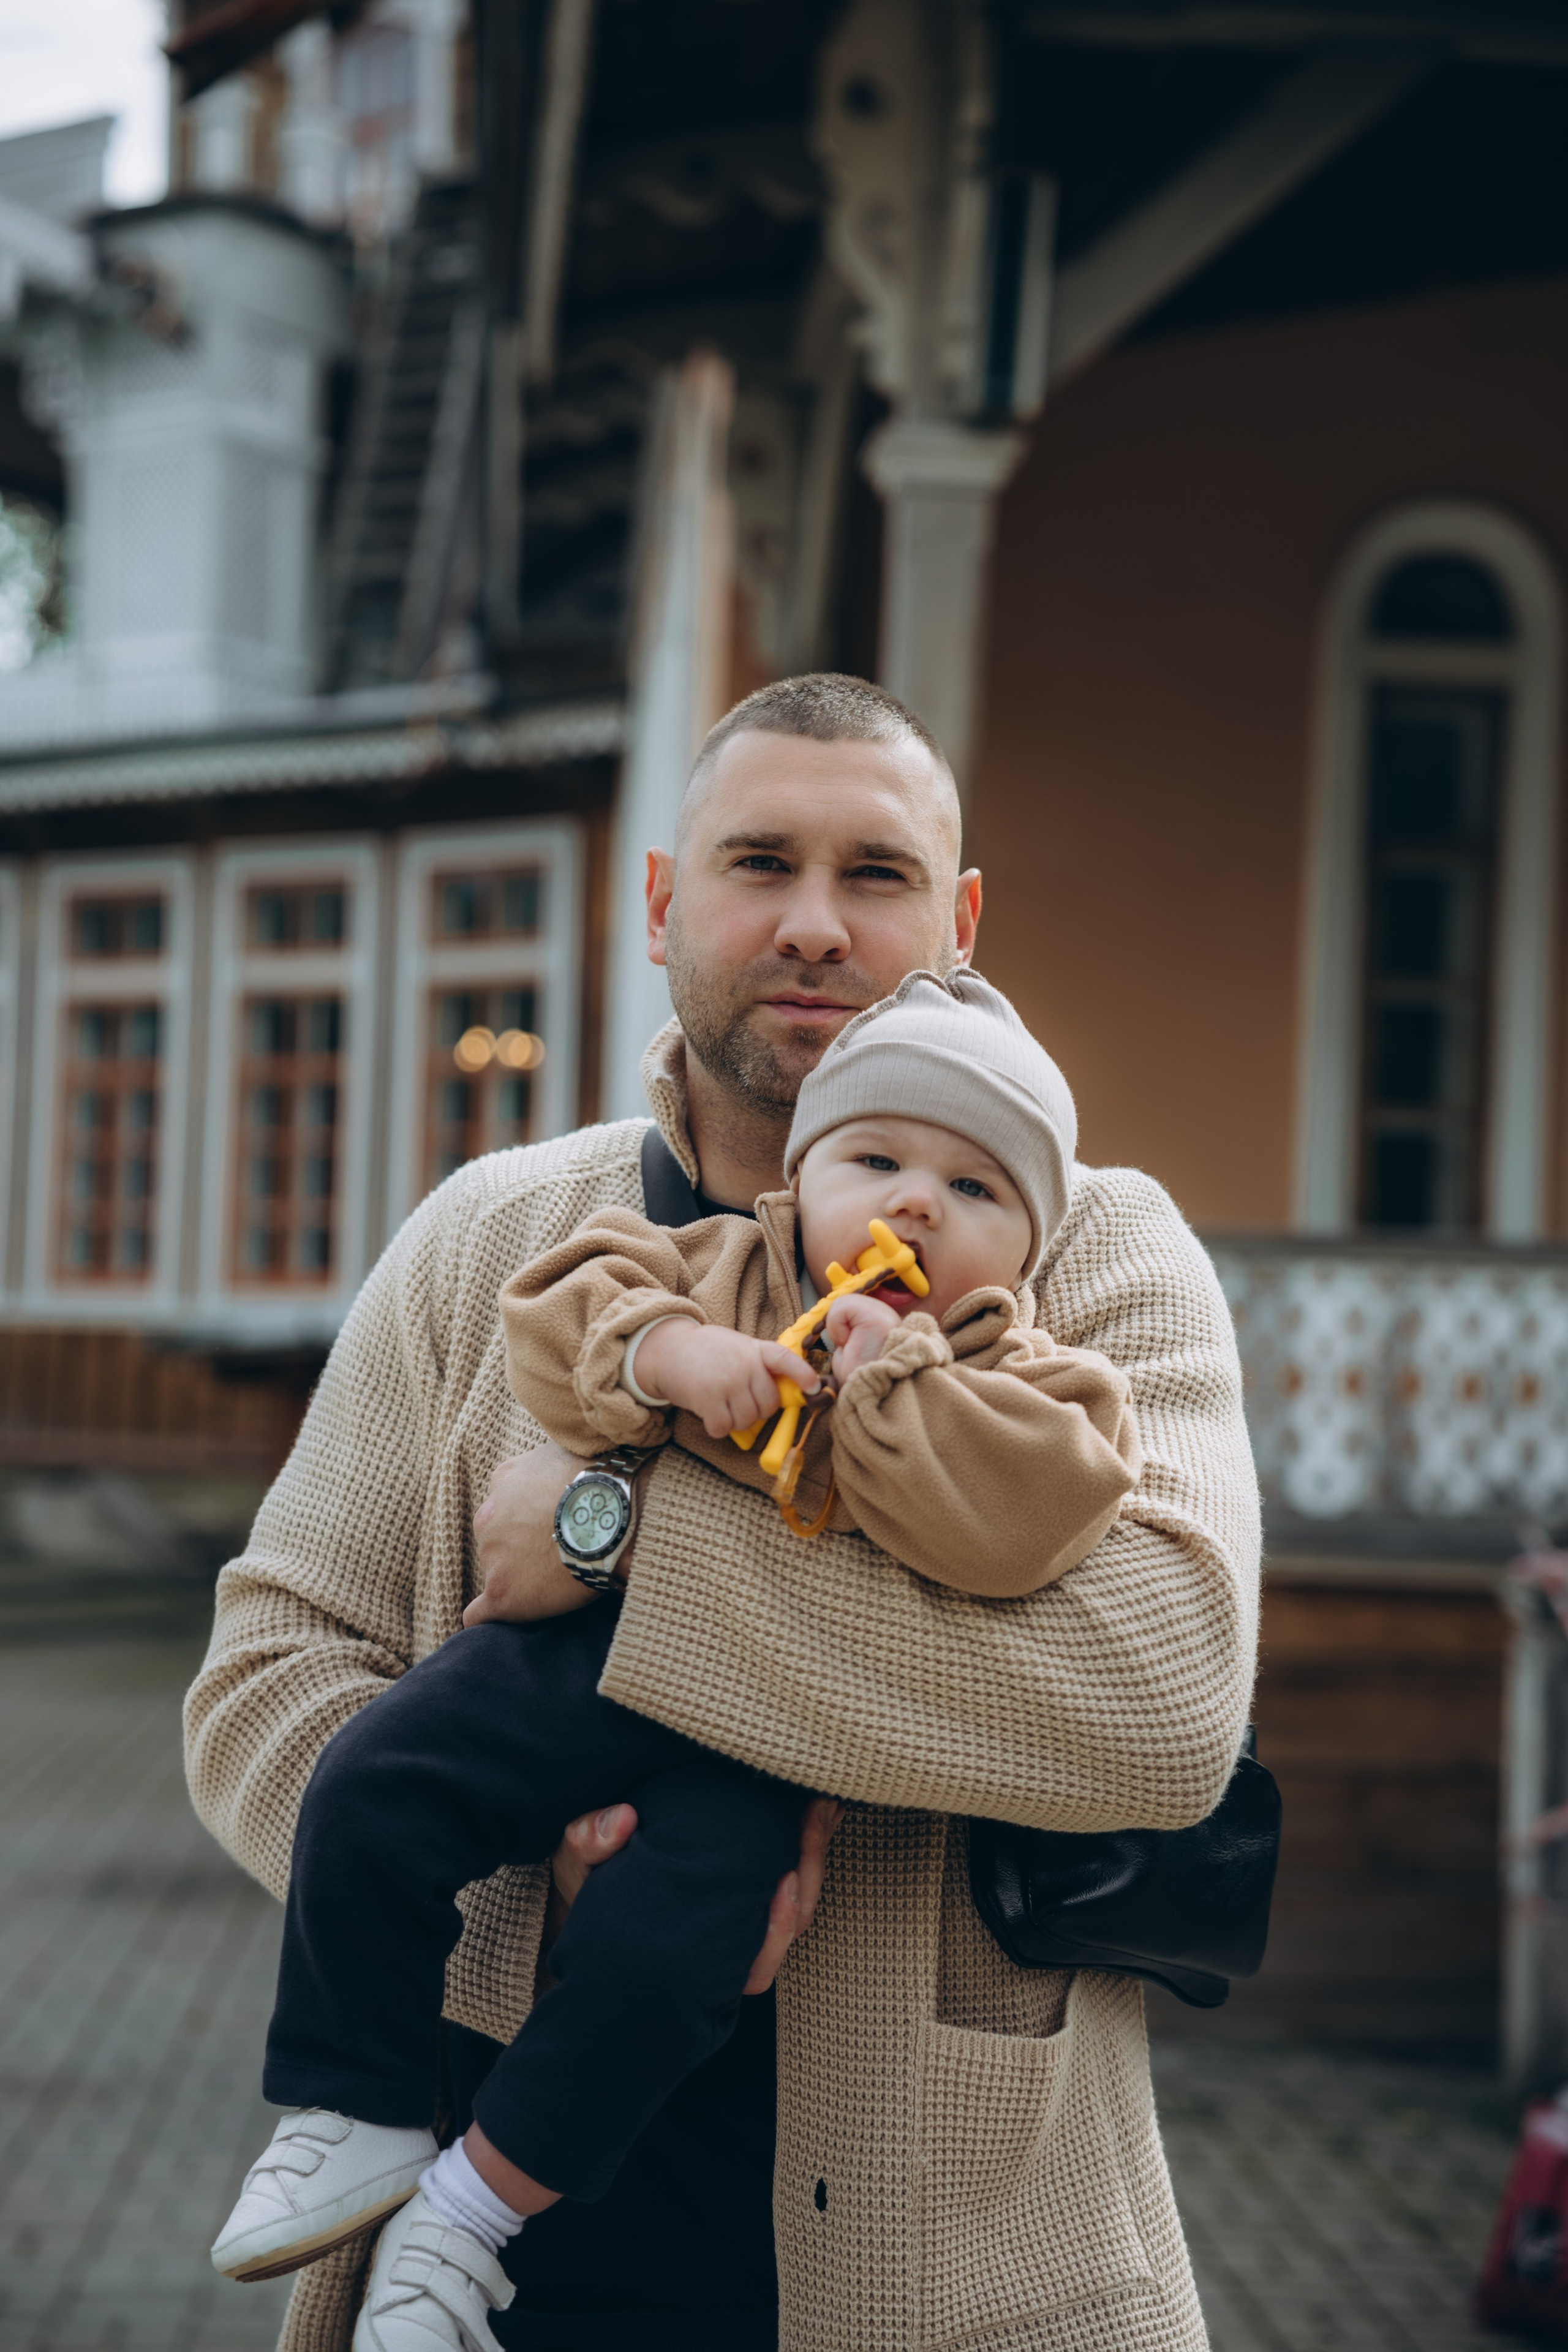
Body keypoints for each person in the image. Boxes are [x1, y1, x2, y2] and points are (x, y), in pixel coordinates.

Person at [184, 673, 1260, 2352]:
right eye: (761, 863)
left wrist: (615, 1544)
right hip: (492, 2282)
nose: (817, 926)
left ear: (960, 920)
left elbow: (1158, 1699)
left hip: (959, 2287)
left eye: (879, 876)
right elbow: (267, 1674)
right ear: (665, 900)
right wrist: (534, 1866)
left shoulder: (1102, 1257)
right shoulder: (495, 1240)